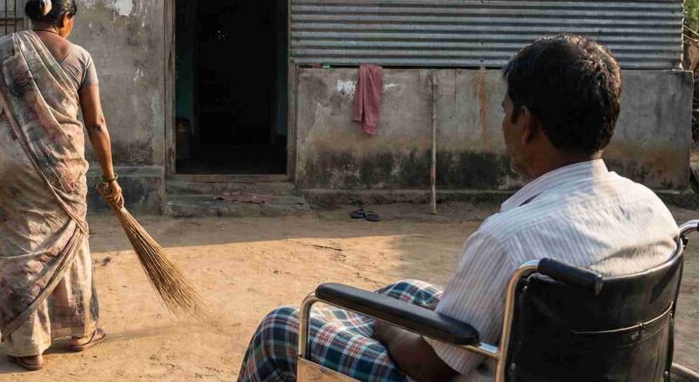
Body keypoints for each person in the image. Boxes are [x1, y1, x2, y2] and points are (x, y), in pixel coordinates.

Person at [238, 34, 680, 382]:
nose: (503, 125)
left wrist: (390, 331)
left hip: (470, 371)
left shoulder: (512, 239)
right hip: (573, 362)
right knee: (402, 291)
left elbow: (428, 367)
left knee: (281, 327)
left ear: (527, 124)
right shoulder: (652, 209)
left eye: (505, 112)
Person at [0, 0, 125, 371]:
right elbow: (96, 123)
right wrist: (110, 177)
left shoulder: (2, 52)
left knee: (20, 248)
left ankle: (27, 346)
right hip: (63, 166)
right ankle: (79, 330)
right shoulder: (80, 57)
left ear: (35, 15)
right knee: (70, 243)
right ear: (65, 19)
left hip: (11, 163)